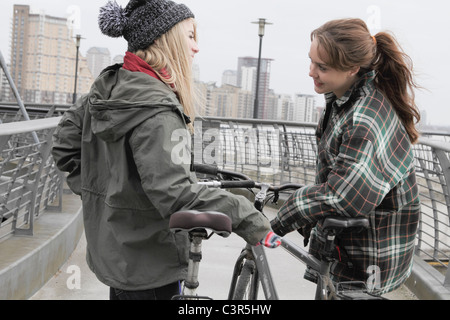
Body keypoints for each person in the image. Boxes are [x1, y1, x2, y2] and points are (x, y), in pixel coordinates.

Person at [52, 0, 280, 300]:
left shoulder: (108, 86)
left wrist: (107, 196)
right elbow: (176, 194)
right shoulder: (157, 108)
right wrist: (247, 217)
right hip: (150, 264)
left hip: (116, 255)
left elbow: (64, 147)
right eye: (189, 36)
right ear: (164, 39)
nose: (196, 47)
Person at [270, 18, 421, 295]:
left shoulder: (365, 117)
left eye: (322, 67)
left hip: (366, 258)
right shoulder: (342, 99)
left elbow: (343, 197)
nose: (311, 71)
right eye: (311, 61)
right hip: (345, 247)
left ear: (353, 68)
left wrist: (284, 217)